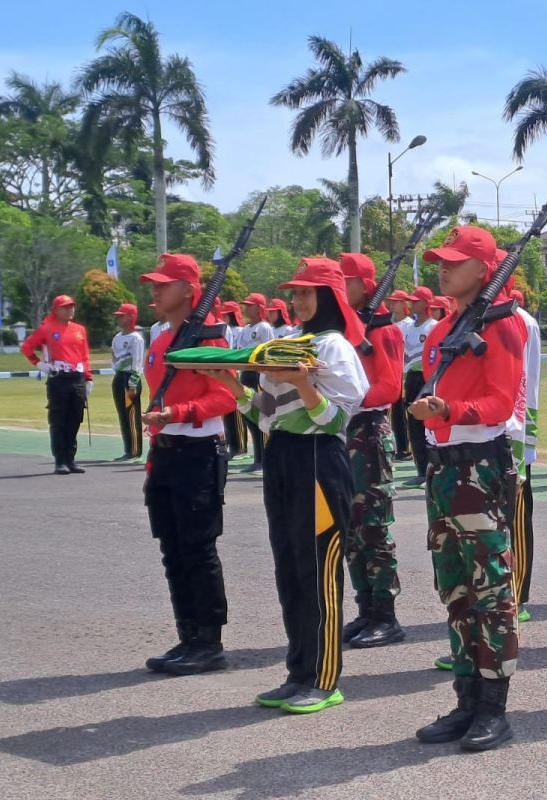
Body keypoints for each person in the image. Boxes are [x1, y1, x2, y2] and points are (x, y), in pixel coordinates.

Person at [210, 257, 369, 714]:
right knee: (290, 568)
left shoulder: (334, 347)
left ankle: (323, 678)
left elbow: (338, 418)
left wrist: (303, 383)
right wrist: (232, 385)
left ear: (329, 297)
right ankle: (298, 672)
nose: (298, 300)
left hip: (319, 459)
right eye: (294, 292)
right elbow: (266, 417)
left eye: (306, 292)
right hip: (282, 456)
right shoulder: (288, 343)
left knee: (318, 570)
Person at [410, 226, 525, 752]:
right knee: (454, 588)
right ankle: (465, 698)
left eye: (454, 262)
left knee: (491, 590)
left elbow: (502, 402)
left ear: (483, 270)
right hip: (443, 470)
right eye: (440, 261)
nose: (442, 269)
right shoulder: (440, 331)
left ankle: (493, 706)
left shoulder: (501, 326)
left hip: (479, 468)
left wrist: (451, 411)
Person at [138, 254, 237, 676]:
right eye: (154, 284)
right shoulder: (161, 340)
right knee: (172, 548)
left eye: (164, 284)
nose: (155, 291)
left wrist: (179, 412)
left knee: (197, 549)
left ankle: (208, 642)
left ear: (188, 291)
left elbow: (228, 398)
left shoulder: (209, 339)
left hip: (197, 451)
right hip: (165, 451)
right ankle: (187, 635)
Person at [340, 252, 407, 649]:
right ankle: (365, 608)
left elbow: (391, 387)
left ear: (365, 285)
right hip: (342, 432)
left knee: (373, 528)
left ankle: (386, 614)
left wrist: (348, 398)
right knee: (350, 530)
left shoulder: (383, 330)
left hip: (367, 430)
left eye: (345, 281)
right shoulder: (344, 328)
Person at [20, 294, 93, 475]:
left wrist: (88, 378)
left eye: (72, 306)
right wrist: (39, 364)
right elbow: (27, 347)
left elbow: (84, 355)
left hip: (77, 378)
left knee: (75, 418)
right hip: (58, 378)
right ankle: (60, 460)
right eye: (65, 307)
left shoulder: (79, 330)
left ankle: (71, 458)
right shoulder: (47, 328)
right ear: (56, 310)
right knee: (59, 420)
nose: (70, 310)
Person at [508, 285, 540, 624]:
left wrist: (526, 443)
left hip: (514, 436)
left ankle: (519, 593)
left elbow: (527, 383)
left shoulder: (523, 322)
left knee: (516, 520)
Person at [400, 286, 439, 488]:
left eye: (416, 301)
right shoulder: (409, 328)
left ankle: (432, 469)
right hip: (411, 378)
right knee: (413, 424)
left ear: (426, 303)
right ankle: (420, 470)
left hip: (427, 378)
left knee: (428, 425)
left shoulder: (434, 326)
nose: (411, 304)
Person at [238, 293, 275, 472]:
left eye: (250, 305)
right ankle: (257, 456)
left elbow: (267, 352)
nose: (246, 308)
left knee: (260, 416)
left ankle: (265, 458)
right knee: (248, 415)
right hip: (245, 374)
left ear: (259, 308)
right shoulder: (245, 329)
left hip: (257, 375)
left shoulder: (264, 327)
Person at [110, 302, 145, 462]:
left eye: (121, 316)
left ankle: (135, 449)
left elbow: (138, 362)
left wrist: (133, 382)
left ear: (130, 317)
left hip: (131, 378)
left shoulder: (136, 338)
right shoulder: (117, 337)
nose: (118, 319)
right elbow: (114, 358)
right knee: (122, 414)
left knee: (132, 413)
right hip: (119, 376)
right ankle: (127, 448)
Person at [218, 301, 248, 459]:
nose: (225, 317)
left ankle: (241, 447)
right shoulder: (227, 328)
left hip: (236, 374)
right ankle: (232, 444)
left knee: (237, 411)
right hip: (227, 374)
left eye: (227, 314)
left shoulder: (238, 330)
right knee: (227, 411)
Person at [388, 290, 415, 461]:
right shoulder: (388, 322)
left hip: (404, 372)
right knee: (393, 413)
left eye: (396, 301)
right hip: (391, 372)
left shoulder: (408, 324)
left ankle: (405, 448)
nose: (392, 304)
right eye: (391, 301)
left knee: (403, 413)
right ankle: (398, 446)